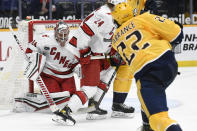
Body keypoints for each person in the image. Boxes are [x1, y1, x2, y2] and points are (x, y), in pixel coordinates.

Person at [52, 0, 135, 126]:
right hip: (87, 53)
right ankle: (65, 112)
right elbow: (83, 32)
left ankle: (93, 108)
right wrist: (83, 51)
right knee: (90, 88)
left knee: (108, 73)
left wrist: (113, 52)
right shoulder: (104, 15)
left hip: (98, 52)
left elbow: (108, 36)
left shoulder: (114, 12)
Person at [111, 2, 183, 131]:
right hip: (168, 63)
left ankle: (153, 125)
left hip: (147, 74)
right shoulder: (143, 18)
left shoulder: (115, 40)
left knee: (158, 118)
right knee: (146, 101)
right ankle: (146, 126)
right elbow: (176, 33)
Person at [111, 0, 158, 118]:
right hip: (113, 37)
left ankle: (118, 104)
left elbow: (152, 12)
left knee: (126, 72)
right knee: (103, 71)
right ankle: (90, 103)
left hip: (128, 39)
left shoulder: (143, 1)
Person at [23, 20, 79, 111]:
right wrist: (33, 58)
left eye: (65, 34)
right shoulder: (44, 39)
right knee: (56, 100)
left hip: (67, 76)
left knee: (72, 101)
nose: (63, 38)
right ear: (55, 32)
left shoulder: (75, 42)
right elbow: (29, 51)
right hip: (49, 75)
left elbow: (79, 60)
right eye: (61, 35)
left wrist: (78, 66)